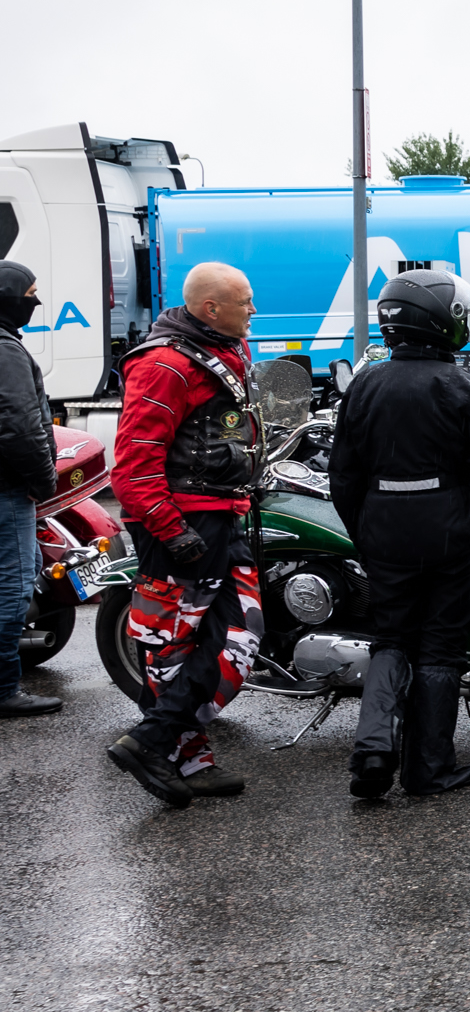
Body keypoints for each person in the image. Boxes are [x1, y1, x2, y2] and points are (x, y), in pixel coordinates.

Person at [329, 270, 470, 799]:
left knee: (391, 638)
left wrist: (366, 529)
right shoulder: (464, 388)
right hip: (451, 532)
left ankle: (373, 750)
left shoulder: (364, 385)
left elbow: (343, 474)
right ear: (441, 321)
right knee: (440, 647)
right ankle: (428, 768)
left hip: (383, 528)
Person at [103, 264, 264, 804]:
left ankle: (158, 745)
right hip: (181, 523)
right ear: (211, 309)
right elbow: (133, 467)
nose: (254, 310)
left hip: (217, 513)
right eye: (245, 301)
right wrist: (173, 531)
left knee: (238, 634)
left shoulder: (221, 349)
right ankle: (177, 756)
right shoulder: (164, 365)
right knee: (172, 646)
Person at [0, 264, 58, 723]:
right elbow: (20, 426)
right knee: (12, 586)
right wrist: (43, 480)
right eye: (30, 293)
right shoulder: (5, 349)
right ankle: (3, 689)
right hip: (6, 488)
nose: (35, 302)